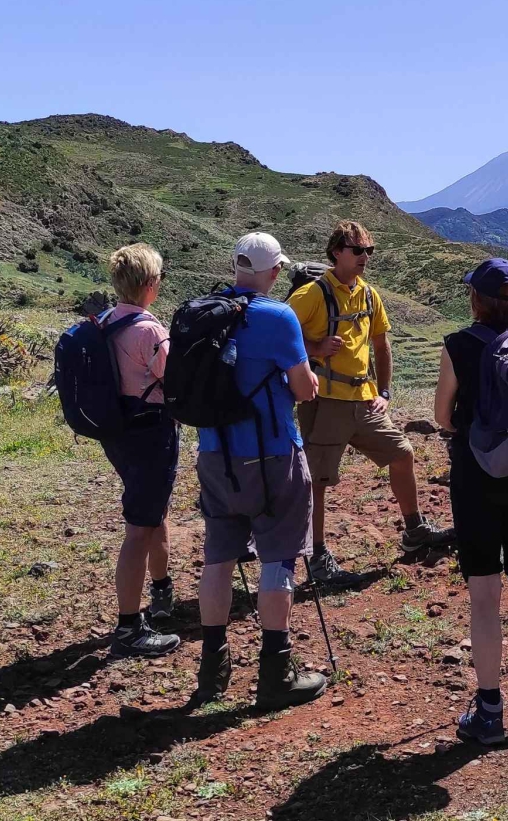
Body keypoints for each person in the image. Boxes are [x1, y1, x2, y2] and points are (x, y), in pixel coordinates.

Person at [193, 233, 327, 707]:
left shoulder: (200, 313)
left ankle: (212, 669)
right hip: (271, 455)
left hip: (213, 454)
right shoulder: (277, 315)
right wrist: (307, 376)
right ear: (273, 272)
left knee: (218, 558)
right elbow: (304, 388)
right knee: (278, 557)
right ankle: (275, 670)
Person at [288, 220, 454, 584]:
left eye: (369, 250)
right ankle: (317, 558)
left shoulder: (368, 294)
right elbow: (279, 335)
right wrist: (315, 348)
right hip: (325, 402)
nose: (365, 257)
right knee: (317, 480)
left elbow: (382, 346)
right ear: (336, 252)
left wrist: (385, 392)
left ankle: (414, 531)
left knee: (402, 453)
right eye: (358, 250)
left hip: (364, 401)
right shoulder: (312, 294)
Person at [434, 258, 508, 744]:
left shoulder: (459, 345)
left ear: (476, 300)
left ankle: (489, 710)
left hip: (477, 478)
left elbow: (443, 416)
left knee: (485, 596)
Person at [101, 243, 182, 658]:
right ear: (151, 284)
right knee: (139, 528)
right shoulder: (149, 330)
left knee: (154, 512)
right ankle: (130, 627)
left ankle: (162, 589)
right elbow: (175, 380)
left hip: (120, 431)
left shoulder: (107, 321)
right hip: (150, 432)